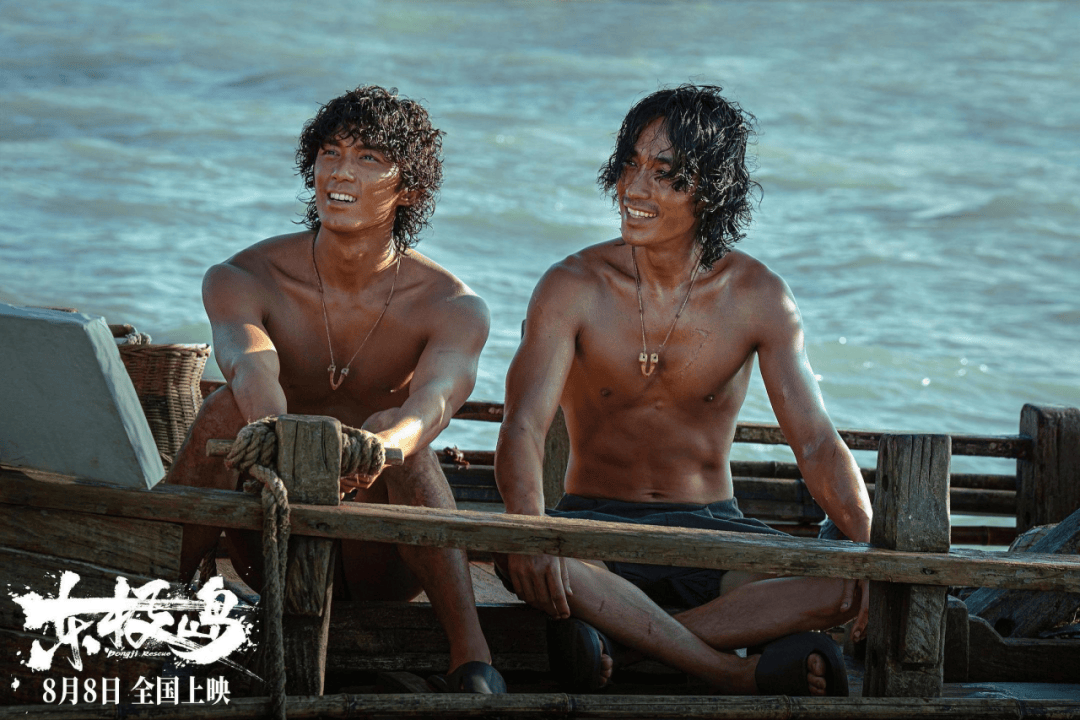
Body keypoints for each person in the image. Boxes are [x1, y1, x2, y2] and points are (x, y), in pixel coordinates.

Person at [493, 84, 872, 696]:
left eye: (664, 174)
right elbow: (523, 426)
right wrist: (530, 532)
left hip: (715, 535)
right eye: (630, 165)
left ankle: (624, 645)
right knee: (526, 559)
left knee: (842, 585)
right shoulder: (573, 286)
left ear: (710, 190)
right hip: (595, 527)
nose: (634, 188)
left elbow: (817, 445)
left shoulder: (758, 296)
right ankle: (730, 671)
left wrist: (871, 553)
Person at [167, 85, 504, 693]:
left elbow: (435, 403)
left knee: (403, 439)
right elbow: (248, 367)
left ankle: (471, 657)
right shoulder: (244, 276)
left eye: (369, 158)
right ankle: (157, 603)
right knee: (222, 410)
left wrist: (378, 449)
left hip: (380, 554)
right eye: (331, 152)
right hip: (273, 531)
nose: (341, 172)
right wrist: (288, 441)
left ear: (410, 189)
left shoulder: (452, 305)